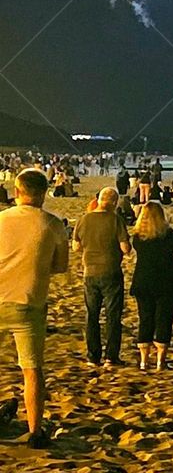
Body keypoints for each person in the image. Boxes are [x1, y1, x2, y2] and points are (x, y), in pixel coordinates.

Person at [0, 169, 69, 447]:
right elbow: (60, 266)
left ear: (17, 192)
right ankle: (34, 430)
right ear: (44, 193)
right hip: (29, 302)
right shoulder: (52, 224)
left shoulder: (1, 220)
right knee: (31, 369)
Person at [73, 186, 131, 368]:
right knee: (113, 316)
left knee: (92, 315)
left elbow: (76, 247)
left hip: (89, 271)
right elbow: (125, 248)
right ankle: (111, 357)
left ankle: (93, 356)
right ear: (114, 203)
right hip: (110, 271)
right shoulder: (115, 220)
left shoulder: (83, 219)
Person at [130, 201, 173, 371]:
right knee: (164, 319)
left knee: (145, 319)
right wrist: (167, 224)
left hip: (144, 280)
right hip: (167, 281)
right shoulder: (166, 234)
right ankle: (161, 360)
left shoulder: (138, 237)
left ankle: (144, 360)